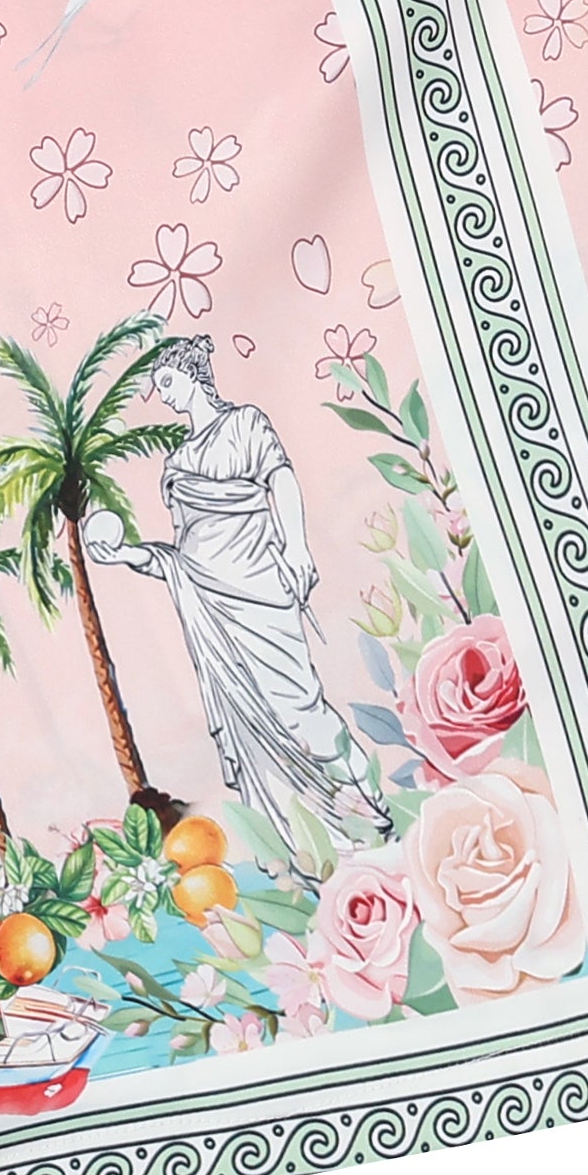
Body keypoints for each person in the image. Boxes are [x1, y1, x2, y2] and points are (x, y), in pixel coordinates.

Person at [86, 335, 392, 848]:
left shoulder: (245, 424)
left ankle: (373, 811)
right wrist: (124, 554)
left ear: (193, 375)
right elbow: (181, 555)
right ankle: (305, 847)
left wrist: (297, 547)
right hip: (209, 603)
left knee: (300, 705)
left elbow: (281, 480)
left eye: (167, 382)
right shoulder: (177, 462)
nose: (163, 395)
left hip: (261, 586)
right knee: (252, 727)